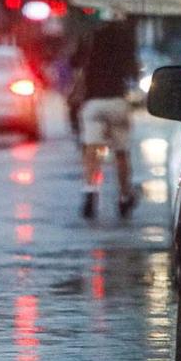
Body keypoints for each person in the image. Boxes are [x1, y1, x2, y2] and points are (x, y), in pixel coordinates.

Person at [69, 17, 140, 219]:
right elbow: (133, 74)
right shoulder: (125, 41)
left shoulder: (89, 39)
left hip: (93, 103)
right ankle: (125, 195)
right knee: (121, 152)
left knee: (92, 150)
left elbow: (74, 63)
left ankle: (90, 190)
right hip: (117, 101)